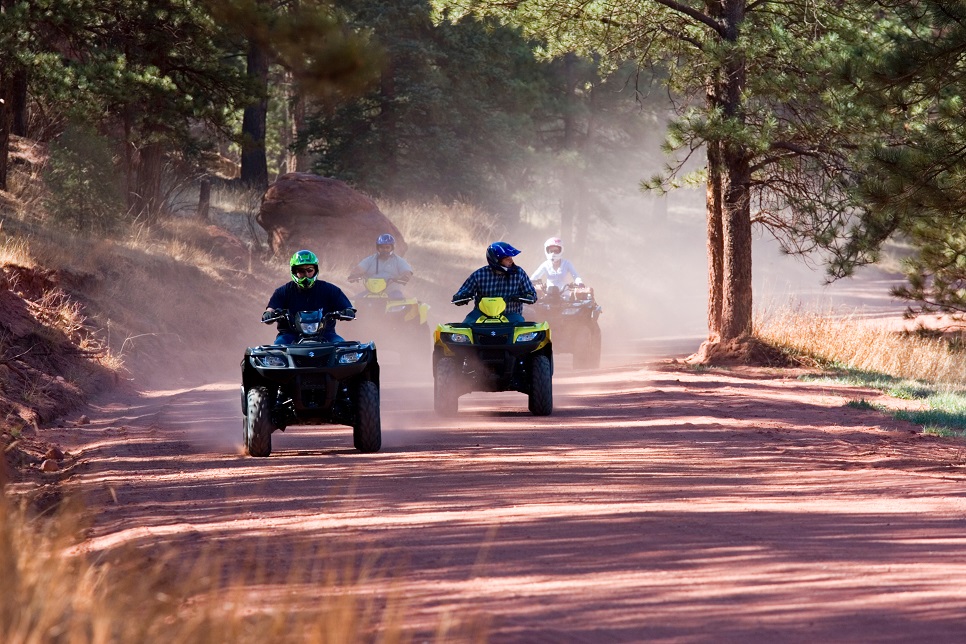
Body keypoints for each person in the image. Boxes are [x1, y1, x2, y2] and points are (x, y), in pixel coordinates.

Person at [263, 249, 354, 344]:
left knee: (342, 347)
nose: (306, 275)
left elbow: (347, 307)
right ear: (294, 272)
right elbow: (271, 308)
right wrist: (268, 314)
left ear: (315, 270)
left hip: (325, 335)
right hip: (290, 336)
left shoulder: (330, 290)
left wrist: (348, 311)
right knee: (277, 350)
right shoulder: (282, 291)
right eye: (301, 271)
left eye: (309, 270)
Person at [452, 241, 538, 324]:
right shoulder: (480, 274)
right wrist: (461, 296)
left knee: (523, 333)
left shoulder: (519, 273)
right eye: (507, 259)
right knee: (465, 328)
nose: (511, 261)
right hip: (481, 315)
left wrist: (528, 296)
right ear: (496, 260)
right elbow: (464, 291)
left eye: (511, 258)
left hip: (511, 315)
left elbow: (532, 294)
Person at [347, 233, 414, 299]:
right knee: (353, 303)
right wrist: (354, 274)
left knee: (399, 303)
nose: (384, 249)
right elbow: (359, 268)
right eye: (381, 247)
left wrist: (405, 277)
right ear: (377, 248)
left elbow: (407, 271)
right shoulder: (370, 259)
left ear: (392, 248)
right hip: (370, 292)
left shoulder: (399, 261)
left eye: (387, 247)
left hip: (392, 292)